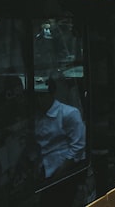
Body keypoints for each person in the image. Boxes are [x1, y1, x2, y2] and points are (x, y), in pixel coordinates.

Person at [33, 77, 86, 206]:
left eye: (43, 96)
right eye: (37, 96)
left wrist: (59, 175)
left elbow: (78, 148)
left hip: (64, 174)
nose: (40, 100)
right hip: (44, 174)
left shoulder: (69, 113)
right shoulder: (37, 118)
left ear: (52, 94)